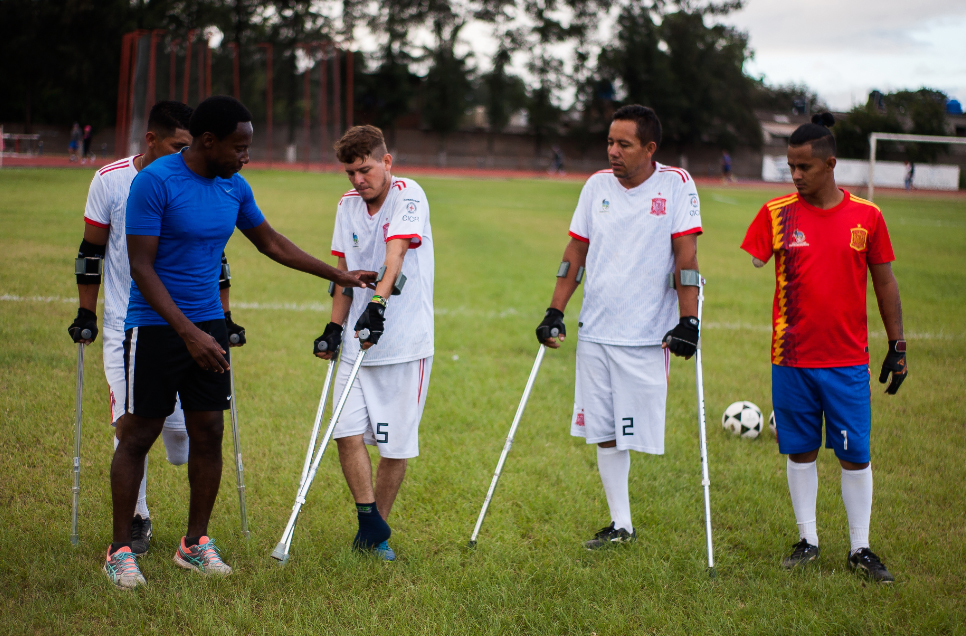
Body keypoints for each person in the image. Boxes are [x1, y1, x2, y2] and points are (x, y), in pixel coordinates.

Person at [103, 96, 375, 590]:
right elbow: (141, 267)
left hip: (208, 325)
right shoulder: (155, 181)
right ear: (209, 141)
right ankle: (120, 550)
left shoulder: (234, 186)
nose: (245, 156)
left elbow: (271, 243)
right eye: (240, 146)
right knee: (138, 435)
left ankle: (194, 544)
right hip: (158, 328)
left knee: (208, 434)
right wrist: (188, 335)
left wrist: (341, 275)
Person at [69, 101, 248, 562]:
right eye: (177, 144)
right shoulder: (113, 181)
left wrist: (223, 316)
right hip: (130, 325)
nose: (185, 152)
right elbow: (91, 251)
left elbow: (216, 255)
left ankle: (193, 540)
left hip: (194, 322)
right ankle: (136, 522)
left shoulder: (209, 177)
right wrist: (86, 313)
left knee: (187, 439)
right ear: (152, 140)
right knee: (129, 427)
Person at [741, 112, 906, 583]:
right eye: (790, 166)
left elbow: (885, 282)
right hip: (791, 358)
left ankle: (861, 547)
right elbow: (755, 257)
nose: (795, 175)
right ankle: (808, 540)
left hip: (847, 361)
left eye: (804, 167)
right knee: (800, 451)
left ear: (830, 164)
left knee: (855, 454)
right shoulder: (776, 213)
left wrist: (898, 344)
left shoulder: (867, 216)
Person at [535, 105, 702, 549]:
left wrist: (689, 321)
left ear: (650, 148)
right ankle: (620, 524)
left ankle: (623, 522)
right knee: (604, 432)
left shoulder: (676, 184)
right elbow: (575, 251)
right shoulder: (595, 186)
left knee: (634, 431)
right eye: (609, 142)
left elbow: (686, 258)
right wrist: (555, 310)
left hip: (647, 334)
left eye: (623, 144)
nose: (612, 151)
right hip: (596, 329)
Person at [315, 125, 434, 561]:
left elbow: (396, 253)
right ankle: (370, 521)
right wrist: (334, 327)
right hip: (355, 343)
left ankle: (375, 533)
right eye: (349, 173)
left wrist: (378, 305)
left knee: (394, 448)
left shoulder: (408, 194)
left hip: (404, 344)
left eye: (364, 170)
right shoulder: (346, 207)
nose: (357, 180)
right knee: (345, 434)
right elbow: (343, 275)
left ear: (386, 162)